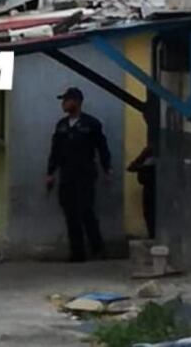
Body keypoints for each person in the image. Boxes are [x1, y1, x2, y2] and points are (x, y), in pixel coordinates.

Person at [46, 87, 112, 262]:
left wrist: (107, 169)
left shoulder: (91, 124)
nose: (63, 104)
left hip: (85, 174)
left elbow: (102, 148)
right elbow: (55, 151)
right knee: (70, 213)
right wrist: (50, 172)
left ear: (76, 101)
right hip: (67, 175)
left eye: (66, 100)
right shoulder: (61, 125)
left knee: (86, 211)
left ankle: (98, 249)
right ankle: (77, 253)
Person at [127, 144, 156, 239]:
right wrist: (145, 166)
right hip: (151, 189)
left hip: (153, 189)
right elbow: (131, 167)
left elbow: (132, 167)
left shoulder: (149, 151)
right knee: (149, 215)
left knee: (150, 215)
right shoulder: (149, 151)